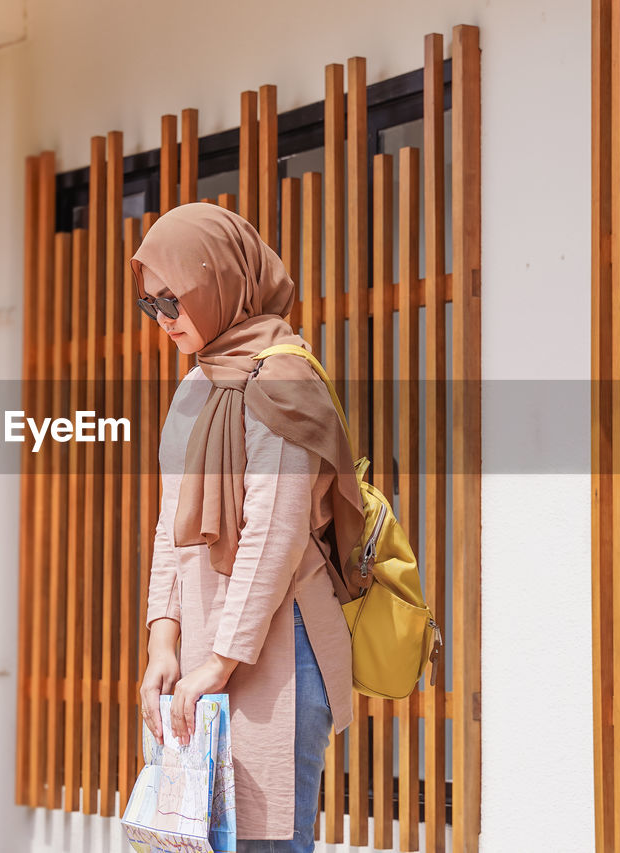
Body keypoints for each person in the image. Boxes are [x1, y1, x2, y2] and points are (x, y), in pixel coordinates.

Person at [130, 203, 366, 852]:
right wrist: (163, 643)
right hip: (207, 650)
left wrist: (220, 662)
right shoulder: (195, 387)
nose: (164, 320)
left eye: (173, 299)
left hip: (277, 645)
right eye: (150, 306)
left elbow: (275, 534)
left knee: (265, 841)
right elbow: (168, 531)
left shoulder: (283, 375)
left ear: (219, 281)